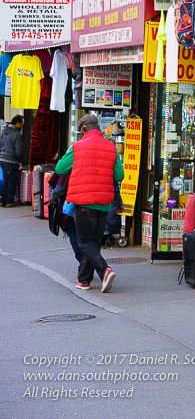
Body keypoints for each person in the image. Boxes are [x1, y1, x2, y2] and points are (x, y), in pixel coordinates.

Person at [55, 114, 124, 292]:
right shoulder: (111, 147)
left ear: (84, 129)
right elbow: (119, 176)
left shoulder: (76, 147)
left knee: (85, 242)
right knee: (93, 242)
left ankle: (104, 271)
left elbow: (60, 168)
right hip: (103, 204)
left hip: (83, 202)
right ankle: (84, 280)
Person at [0, 115, 24, 207]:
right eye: (21, 123)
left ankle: (3, 200)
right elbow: (19, 151)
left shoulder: (4, 132)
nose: (22, 125)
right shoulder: (17, 135)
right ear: (17, 124)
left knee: (6, 180)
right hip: (11, 160)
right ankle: (9, 201)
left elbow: (1, 145)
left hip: (2, 159)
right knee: (12, 181)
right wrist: (21, 159)